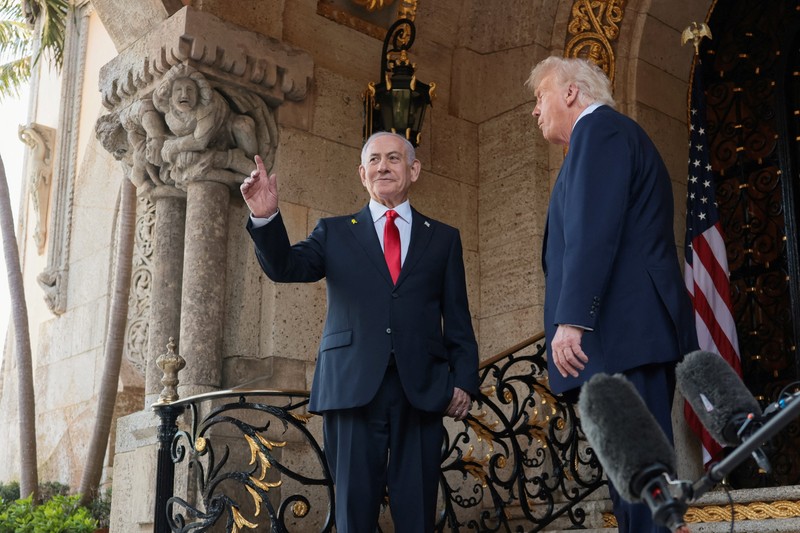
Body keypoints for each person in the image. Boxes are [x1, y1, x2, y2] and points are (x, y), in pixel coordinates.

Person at [240, 131, 479, 532]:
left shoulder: (443, 238)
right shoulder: (334, 232)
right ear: (362, 174)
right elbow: (285, 267)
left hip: (420, 388)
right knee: (353, 512)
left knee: (418, 512)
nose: (383, 167)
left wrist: (464, 380)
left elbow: (458, 317)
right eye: (374, 160)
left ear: (414, 170)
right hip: (351, 388)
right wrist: (265, 217)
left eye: (393, 158)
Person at [527, 56, 698, 533]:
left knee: (642, 486)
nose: (535, 110)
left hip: (623, 336)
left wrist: (572, 320)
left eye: (540, 97)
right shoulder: (600, 138)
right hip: (622, 339)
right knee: (631, 488)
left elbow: (593, 230)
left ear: (570, 92)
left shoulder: (598, 131)